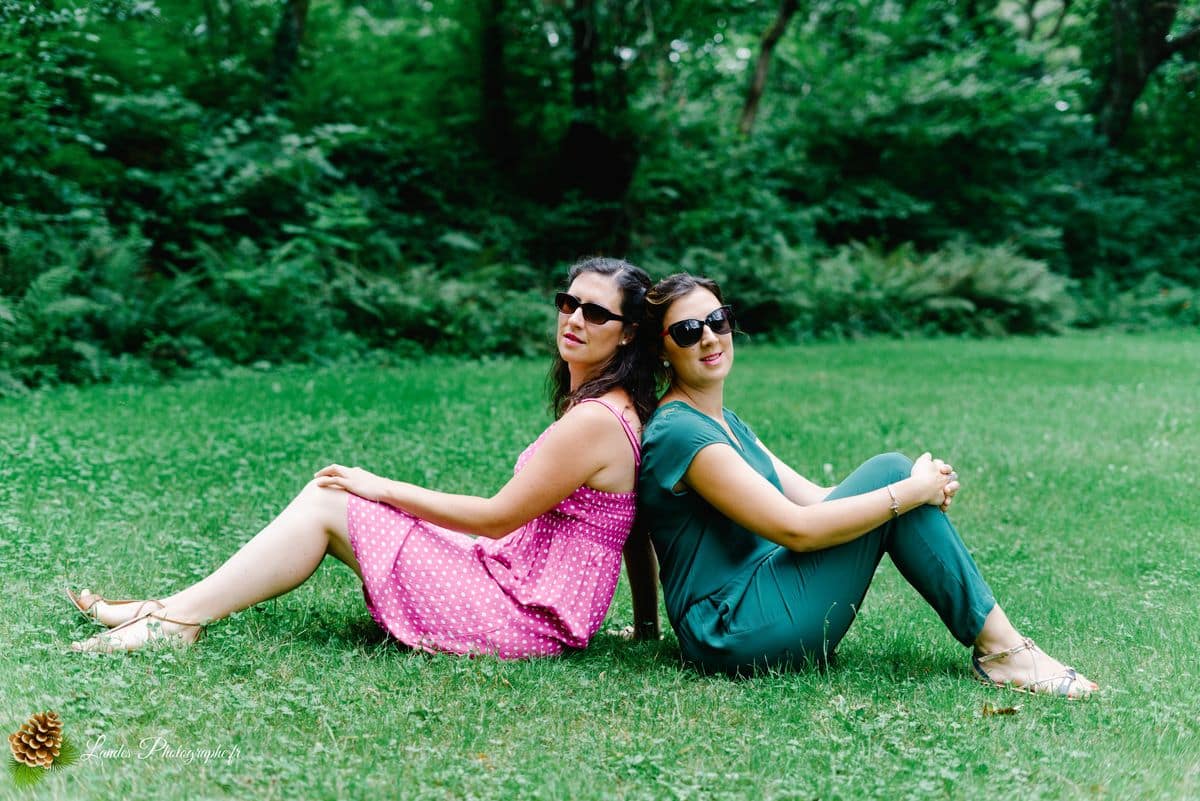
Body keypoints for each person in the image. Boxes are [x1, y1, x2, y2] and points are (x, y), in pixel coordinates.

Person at [68, 257, 658, 658]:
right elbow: (633, 525)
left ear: (628, 333)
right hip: (522, 585)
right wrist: (648, 628)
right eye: (569, 302)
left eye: (597, 313)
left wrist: (381, 486)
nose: (575, 319)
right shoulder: (611, 406)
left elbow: (497, 516)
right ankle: (169, 610)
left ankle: (173, 623)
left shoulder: (593, 421)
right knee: (337, 496)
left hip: (522, 614)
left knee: (334, 497)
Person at [634, 273, 1097, 697]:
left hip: (759, 601)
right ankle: (1007, 654)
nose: (710, 337)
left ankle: (1007, 650)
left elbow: (817, 498)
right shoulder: (679, 431)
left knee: (893, 479)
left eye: (718, 320)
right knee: (894, 474)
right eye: (688, 331)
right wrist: (910, 491)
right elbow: (796, 528)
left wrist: (916, 493)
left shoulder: (722, 421)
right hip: (731, 629)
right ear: (661, 349)